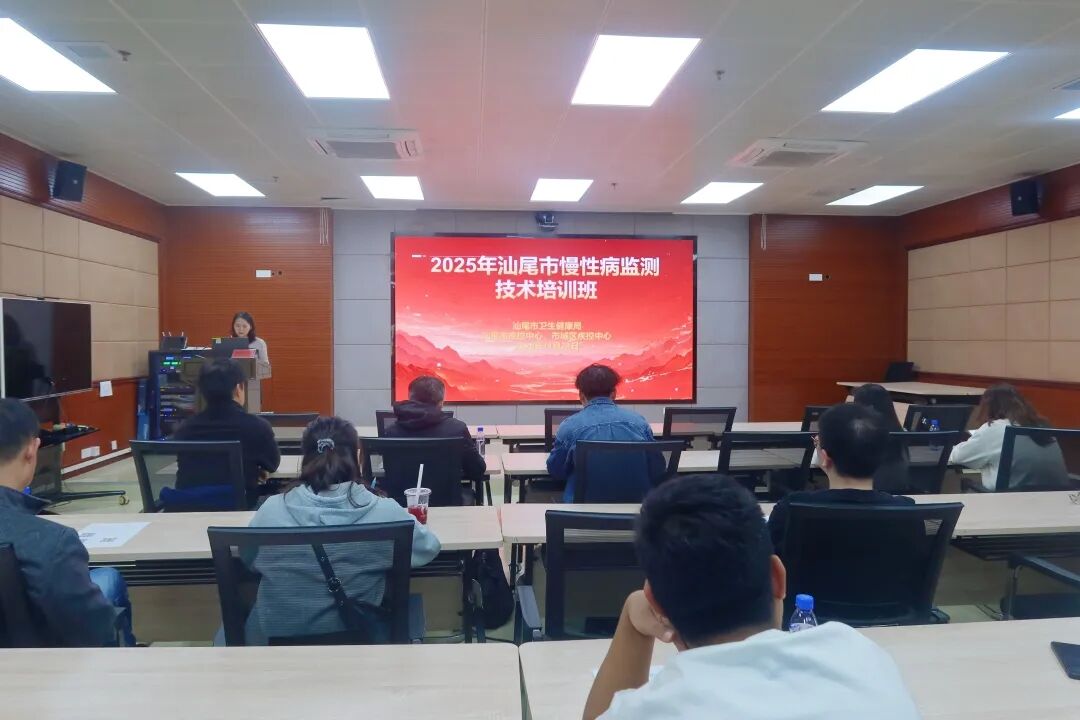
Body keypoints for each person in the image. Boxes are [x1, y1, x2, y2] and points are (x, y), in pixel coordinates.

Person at [583, 474, 920, 719]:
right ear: (778, 577)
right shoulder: (861, 655)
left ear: (656, 604)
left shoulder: (650, 711)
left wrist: (631, 623)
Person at [241, 416, 441, 644]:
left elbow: (250, 560)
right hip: (360, 644)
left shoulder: (271, 510)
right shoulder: (385, 512)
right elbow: (428, 548)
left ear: (305, 457)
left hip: (280, 647)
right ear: (358, 456)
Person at [0, 398, 134, 646]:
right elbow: (92, 632)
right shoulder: (53, 542)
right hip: (38, 665)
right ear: (32, 450)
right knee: (109, 579)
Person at [768, 402, 915, 555]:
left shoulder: (791, 508)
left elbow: (766, 561)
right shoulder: (907, 511)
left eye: (817, 442)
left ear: (825, 457)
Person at [172, 358, 280, 507]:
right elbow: (272, 464)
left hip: (189, 509)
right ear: (238, 388)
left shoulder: (185, 429)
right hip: (239, 509)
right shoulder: (257, 427)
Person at [547, 364, 659, 502]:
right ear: (614, 393)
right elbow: (656, 468)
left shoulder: (569, 427)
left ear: (581, 395)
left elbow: (557, 471)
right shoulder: (639, 423)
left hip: (583, 509)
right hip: (638, 508)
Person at [384, 375, 486, 502]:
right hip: (448, 504)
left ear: (410, 399)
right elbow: (477, 470)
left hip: (403, 505)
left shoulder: (391, 432)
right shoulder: (456, 429)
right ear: (441, 403)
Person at [950, 384, 1068, 491]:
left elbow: (958, 457)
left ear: (989, 406)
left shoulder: (994, 428)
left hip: (1008, 501)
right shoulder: (1043, 426)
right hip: (1053, 499)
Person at [851, 383, 910, 493]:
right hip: (897, 493)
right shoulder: (900, 432)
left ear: (870, 407)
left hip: (870, 495)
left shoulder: (865, 435)